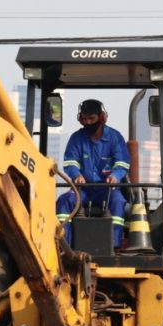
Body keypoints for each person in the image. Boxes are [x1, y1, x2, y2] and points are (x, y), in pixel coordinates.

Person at [56, 99, 131, 247]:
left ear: (101, 118)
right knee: (65, 201)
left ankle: (113, 245)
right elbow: (70, 162)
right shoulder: (76, 138)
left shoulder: (115, 137)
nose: (88, 122)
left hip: (107, 189)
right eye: (84, 119)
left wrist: (115, 176)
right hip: (83, 189)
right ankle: (64, 245)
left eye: (91, 118)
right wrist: (76, 175)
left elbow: (122, 162)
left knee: (118, 202)